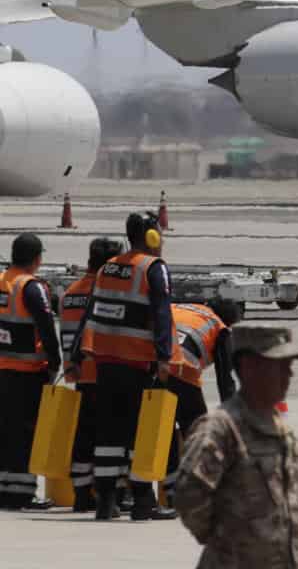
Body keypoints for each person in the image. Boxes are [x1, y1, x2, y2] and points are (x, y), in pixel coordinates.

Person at [173, 323, 298, 569]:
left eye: (289, 366)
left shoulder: (284, 433)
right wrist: (226, 543)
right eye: (279, 366)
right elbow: (189, 494)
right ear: (249, 368)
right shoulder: (221, 429)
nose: (289, 375)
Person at [70, 210, 176, 520]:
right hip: (136, 360)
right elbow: (161, 315)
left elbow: (90, 313)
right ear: (152, 236)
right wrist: (165, 357)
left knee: (108, 433)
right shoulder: (154, 268)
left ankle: (106, 501)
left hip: (104, 361)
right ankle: (143, 500)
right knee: (135, 432)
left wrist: (77, 355)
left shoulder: (107, 268)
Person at [59, 236, 121, 512]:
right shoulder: (107, 291)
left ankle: (82, 492)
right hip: (107, 371)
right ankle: (115, 493)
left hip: (81, 374)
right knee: (111, 436)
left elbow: (65, 334)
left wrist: (68, 366)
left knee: (83, 435)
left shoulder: (70, 293)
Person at [0, 232, 62, 511]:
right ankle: (23, 493)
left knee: (4, 430)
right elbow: (47, 326)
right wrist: (55, 361)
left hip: (2, 370)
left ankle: (4, 489)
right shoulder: (31, 287)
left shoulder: (2, 283)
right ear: (37, 259)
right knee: (25, 432)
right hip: (26, 371)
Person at [163, 302, 236, 497]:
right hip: (182, 369)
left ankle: (170, 488)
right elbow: (225, 377)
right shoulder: (219, 326)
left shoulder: (179, 307)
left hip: (151, 365)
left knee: (164, 429)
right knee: (197, 428)